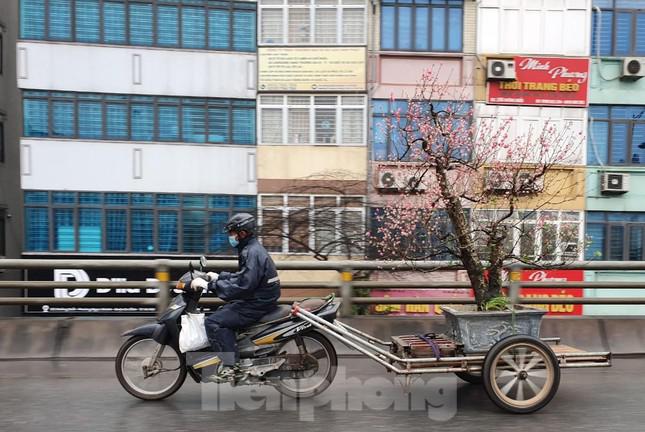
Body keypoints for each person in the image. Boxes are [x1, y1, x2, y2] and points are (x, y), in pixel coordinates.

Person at [189, 213, 280, 381]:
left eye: (232, 233)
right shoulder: (251, 249)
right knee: (223, 312)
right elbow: (243, 277)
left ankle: (232, 366)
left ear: (243, 233)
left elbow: (243, 285)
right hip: (258, 299)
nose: (231, 237)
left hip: (256, 303)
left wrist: (209, 285)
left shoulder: (251, 253)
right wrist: (219, 277)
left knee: (214, 322)